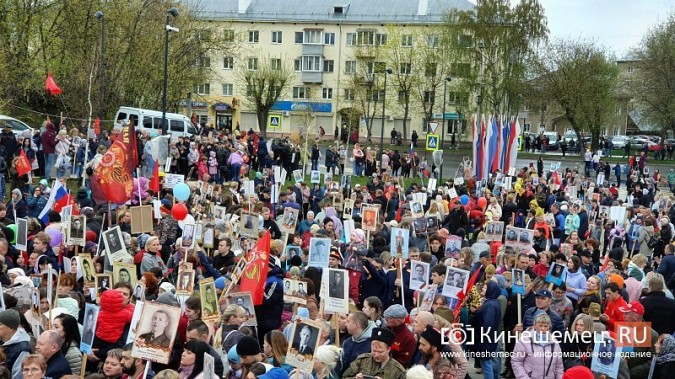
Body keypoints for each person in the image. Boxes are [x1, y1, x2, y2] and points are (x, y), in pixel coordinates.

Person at [511, 313, 564, 379]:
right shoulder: (524, 340)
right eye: (540, 326)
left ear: (549, 327)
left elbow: (559, 366)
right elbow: (516, 362)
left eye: (545, 326)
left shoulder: (555, 343)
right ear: (534, 325)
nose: (543, 328)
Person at [0, 309, 32, 377]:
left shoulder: (23, 349)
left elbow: (18, 376)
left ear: (10, 328)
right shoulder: (2, 341)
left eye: (0, 324)